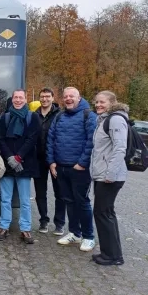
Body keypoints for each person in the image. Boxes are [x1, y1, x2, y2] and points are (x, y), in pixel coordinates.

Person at [47, 87, 97, 252]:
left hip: (80, 169)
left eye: (72, 96)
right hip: (60, 167)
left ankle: (89, 237)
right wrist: (51, 161)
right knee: (68, 201)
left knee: (82, 202)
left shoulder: (89, 116)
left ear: (79, 97)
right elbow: (51, 139)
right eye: (66, 96)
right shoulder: (59, 116)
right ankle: (75, 233)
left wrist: (82, 163)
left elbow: (92, 142)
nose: (68, 98)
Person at [0, 90, 40, 244]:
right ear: (12, 99)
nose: (18, 100)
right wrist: (10, 158)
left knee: (25, 200)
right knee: (5, 198)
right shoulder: (5, 117)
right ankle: (4, 226)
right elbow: (0, 138)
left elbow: (33, 138)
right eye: (16, 98)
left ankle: (25, 229)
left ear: (25, 99)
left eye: (21, 98)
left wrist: (19, 157)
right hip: (7, 164)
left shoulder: (32, 117)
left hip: (25, 164)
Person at [90, 91, 128, 266]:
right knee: (105, 213)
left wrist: (110, 174)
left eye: (102, 102)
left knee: (103, 213)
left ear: (112, 102)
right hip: (103, 175)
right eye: (96, 102)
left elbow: (120, 147)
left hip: (109, 177)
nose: (98, 105)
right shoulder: (105, 120)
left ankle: (112, 256)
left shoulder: (115, 120)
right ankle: (110, 253)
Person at [33, 88, 65, 235]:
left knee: (60, 192)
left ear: (53, 98)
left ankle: (59, 223)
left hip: (56, 159)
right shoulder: (34, 115)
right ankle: (43, 221)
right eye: (42, 97)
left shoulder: (60, 115)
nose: (44, 99)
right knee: (40, 192)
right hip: (38, 159)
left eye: (47, 96)